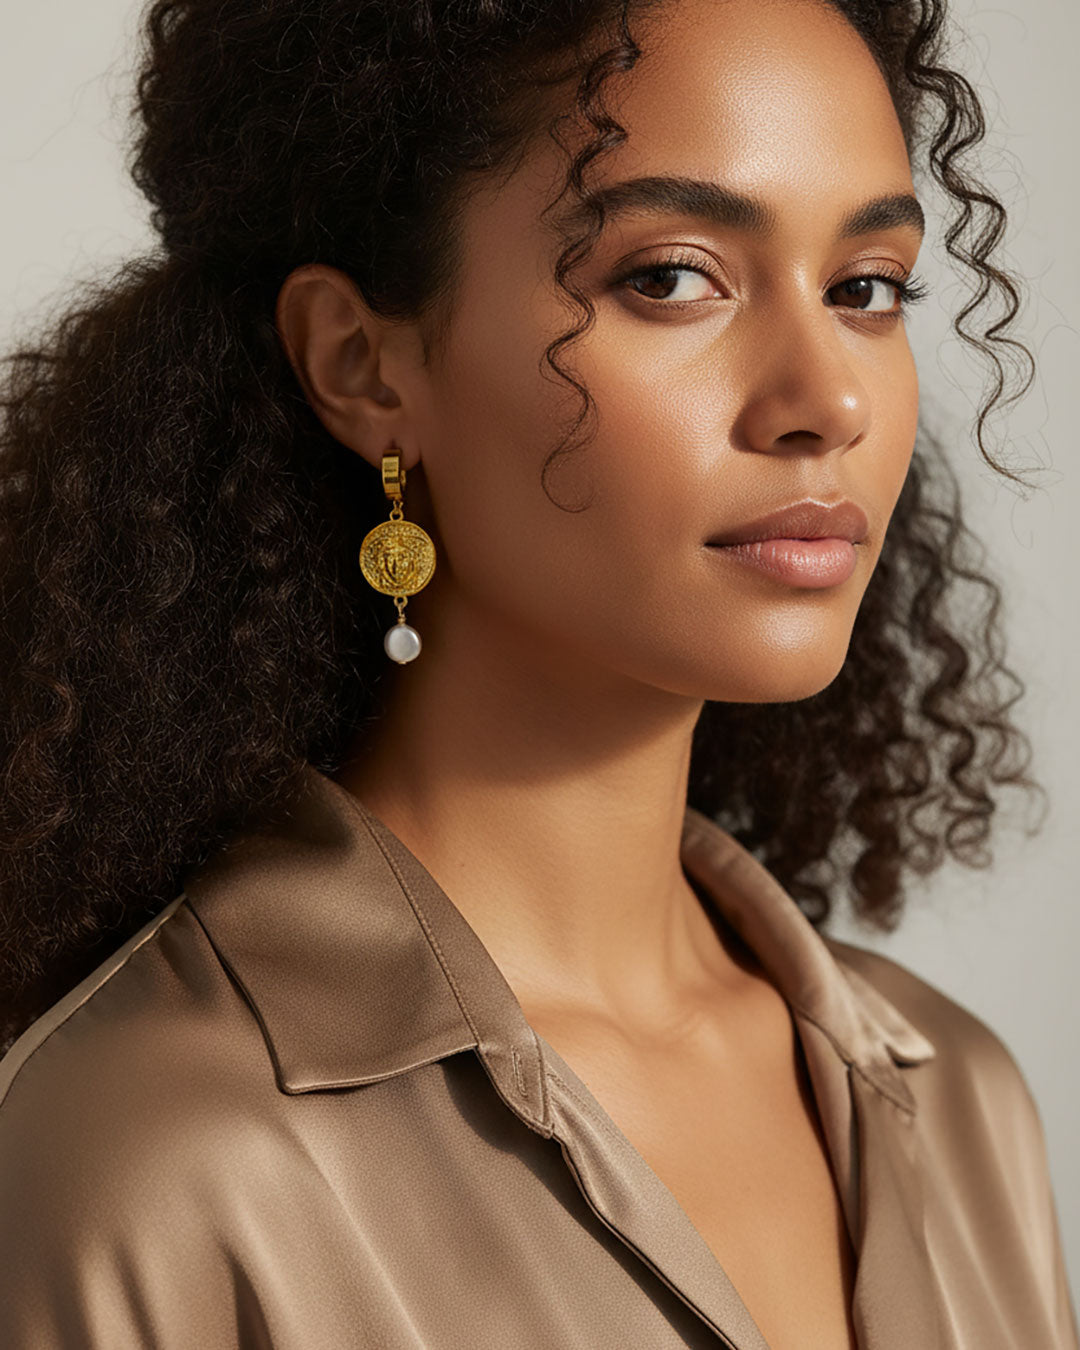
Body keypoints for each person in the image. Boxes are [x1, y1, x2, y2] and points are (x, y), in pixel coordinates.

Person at [0, 0, 1074, 1346]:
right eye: (672, 276)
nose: (829, 399)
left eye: (866, 287)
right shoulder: (147, 1158)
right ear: (361, 362)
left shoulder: (960, 1099)